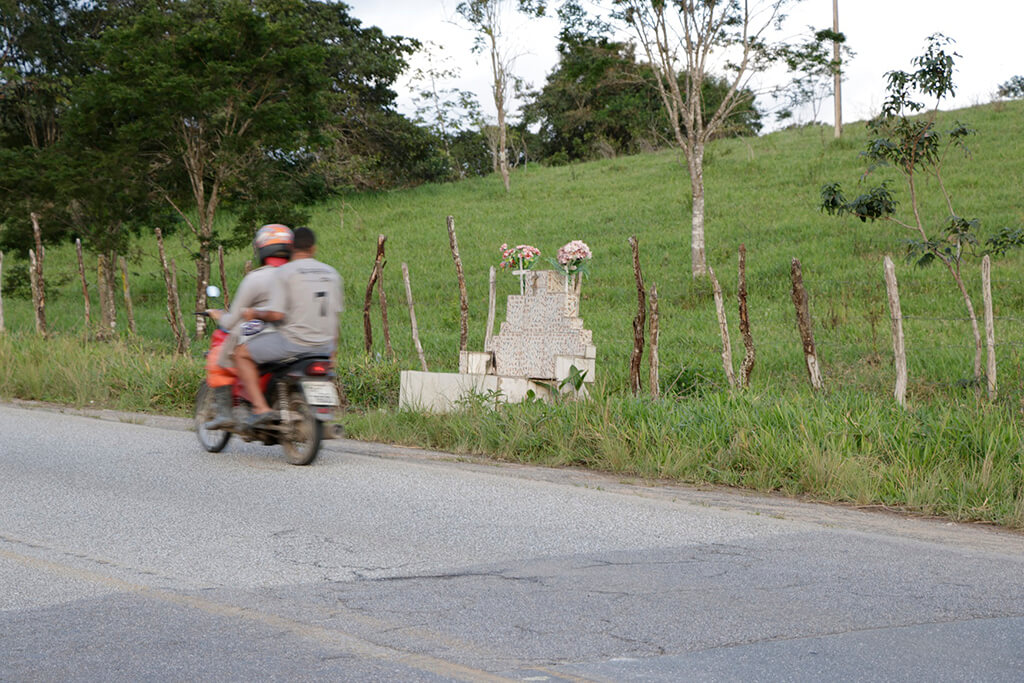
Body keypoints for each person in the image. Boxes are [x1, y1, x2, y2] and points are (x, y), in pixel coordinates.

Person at [233, 226, 344, 426]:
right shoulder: (333, 274)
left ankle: (260, 407)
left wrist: (254, 313)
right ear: (314, 248)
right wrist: (332, 353)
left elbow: (276, 314)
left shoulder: (285, 272)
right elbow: (335, 318)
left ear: (292, 247)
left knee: (242, 353)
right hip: (325, 347)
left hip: (294, 343)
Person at [202, 224, 293, 430]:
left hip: (264, 339)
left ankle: (225, 414)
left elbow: (233, 319)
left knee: (219, 358)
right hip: (297, 338)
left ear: (262, 249)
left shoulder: (256, 278)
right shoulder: (299, 276)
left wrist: (219, 316)